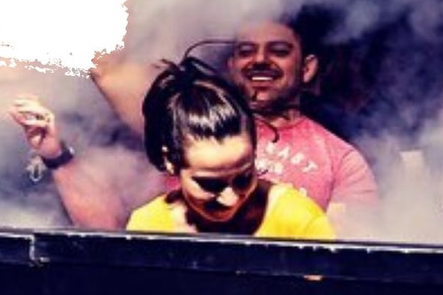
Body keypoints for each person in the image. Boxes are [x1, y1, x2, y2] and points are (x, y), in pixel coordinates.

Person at [93, 17, 379, 221]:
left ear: (307, 69)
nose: (260, 59)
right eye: (246, 51)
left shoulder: (341, 161)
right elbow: (103, 66)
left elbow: (341, 262)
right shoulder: (185, 119)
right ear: (231, 66)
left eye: (279, 51)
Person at [125, 59, 334, 239]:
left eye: (244, 178)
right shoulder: (149, 226)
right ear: (170, 161)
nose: (231, 198)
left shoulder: (299, 220)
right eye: (211, 184)